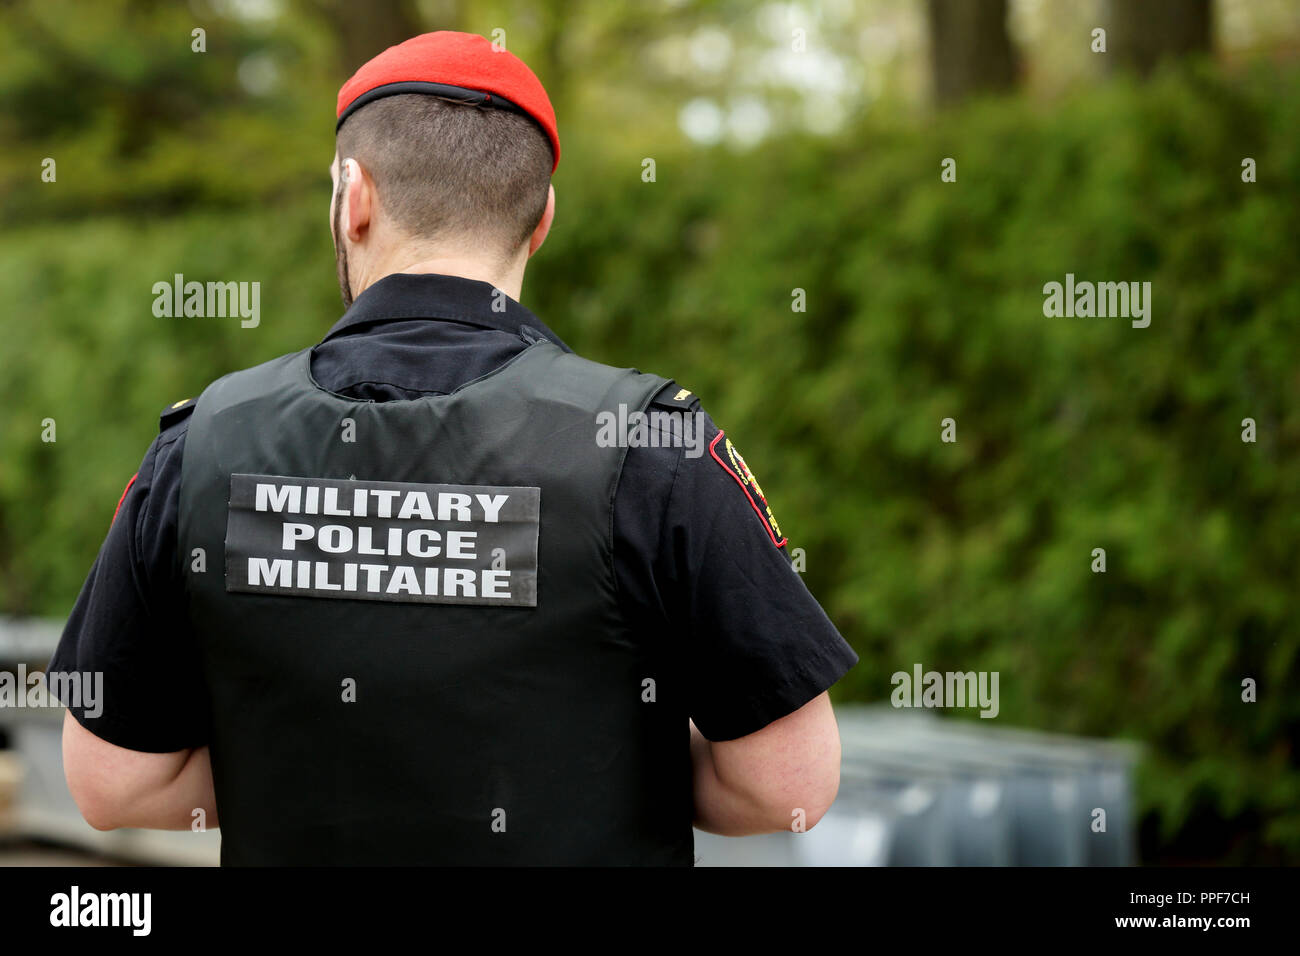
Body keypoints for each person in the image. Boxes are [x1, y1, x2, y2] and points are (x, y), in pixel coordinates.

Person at [49, 31, 858, 865]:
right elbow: (786, 785)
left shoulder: (204, 445)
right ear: (541, 220)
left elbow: (115, 782)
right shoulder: (655, 443)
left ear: (352, 196)